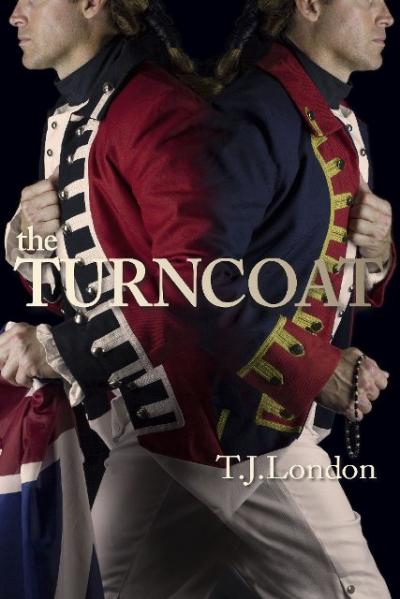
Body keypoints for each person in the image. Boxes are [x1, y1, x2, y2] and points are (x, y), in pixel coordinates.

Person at [2, 1, 396, 599]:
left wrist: (378, 252)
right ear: (311, 5)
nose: (16, 14)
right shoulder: (84, 117)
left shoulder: (159, 111)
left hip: (239, 436)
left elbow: (222, 287)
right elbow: (105, 287)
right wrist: (27, 243)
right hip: (185, 438)